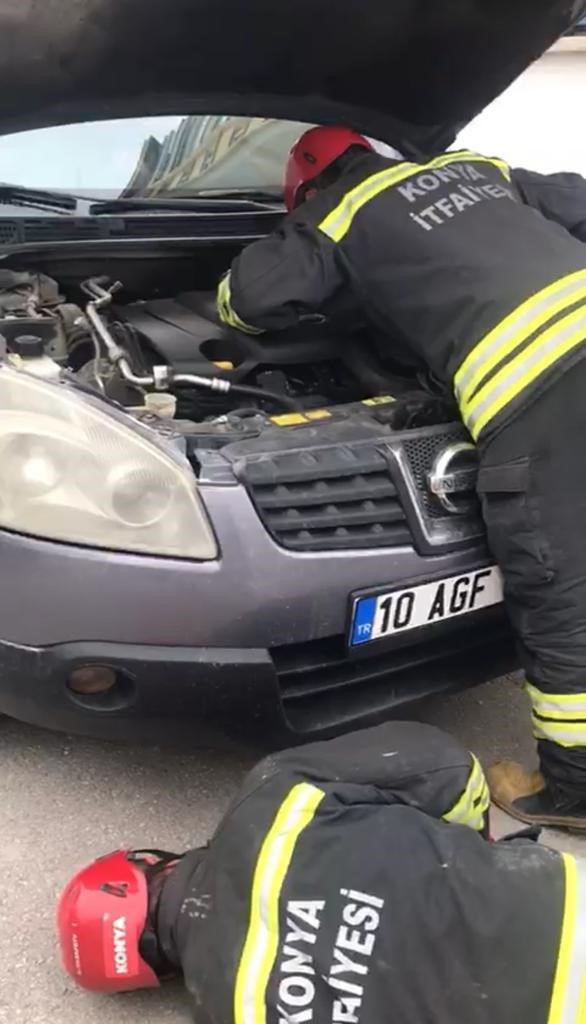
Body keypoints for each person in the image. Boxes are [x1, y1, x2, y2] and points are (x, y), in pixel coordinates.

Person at [216, 126, 586, 830]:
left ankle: (577, 790)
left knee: (561, 586)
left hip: (538, 390)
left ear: (306, 188)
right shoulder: (479, 169)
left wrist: (297, 236)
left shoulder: (339, 213)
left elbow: (245, 301)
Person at [57, 721, 585, 1024]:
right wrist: (464, 846)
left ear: (158, 977)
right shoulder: (273, 800)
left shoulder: (236, 1012)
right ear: (153, 862)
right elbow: (451, 770)